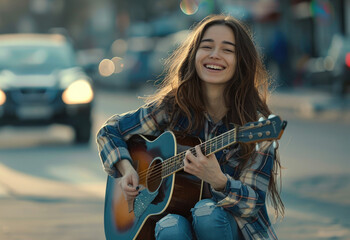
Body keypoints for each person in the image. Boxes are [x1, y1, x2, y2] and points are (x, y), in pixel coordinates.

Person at [96, 14, 284, 240]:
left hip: (232, 230)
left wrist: (219, 181)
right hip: (179, 226)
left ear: (241, 61)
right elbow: (110, 130)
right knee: (169, 225)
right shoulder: (174, 107)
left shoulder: (256, 126)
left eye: (227, 50)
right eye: (207, 46)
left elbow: (252, 206)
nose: (215, 55)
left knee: (207, 214)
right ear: (194, 55)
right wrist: (126, 168)